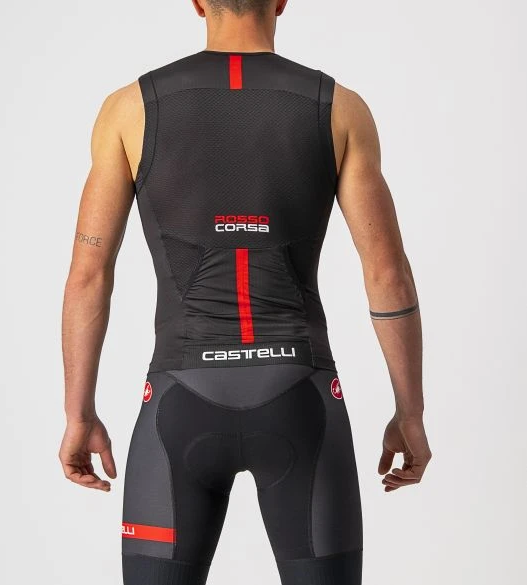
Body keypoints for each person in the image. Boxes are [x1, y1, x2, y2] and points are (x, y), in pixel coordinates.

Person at [59, 1, 432, 583]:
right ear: (281, 1)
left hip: (178, 402)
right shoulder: (338, 108)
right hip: (300, 396)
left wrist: (78, 414)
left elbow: (89, 273)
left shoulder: (129, 110)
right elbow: (388, 274)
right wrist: (411, 411)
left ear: (196, 2)